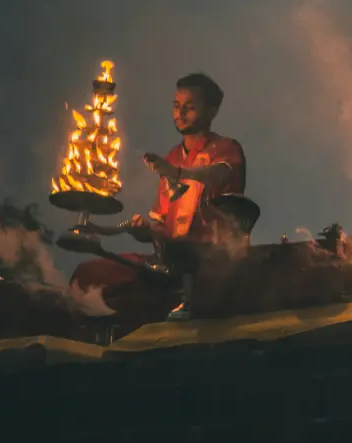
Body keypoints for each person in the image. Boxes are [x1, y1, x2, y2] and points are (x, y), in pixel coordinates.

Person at [70, 73, 246, 322]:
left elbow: (219, 174)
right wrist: (146, 231)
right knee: (88, 276)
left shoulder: (226, 149)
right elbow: (163, 227)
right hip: (166, 265)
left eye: (190, 107)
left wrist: (178, 173)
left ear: (211, 111)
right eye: (176, 106)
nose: (180, 114)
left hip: (208, 263)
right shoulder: (173, 157)